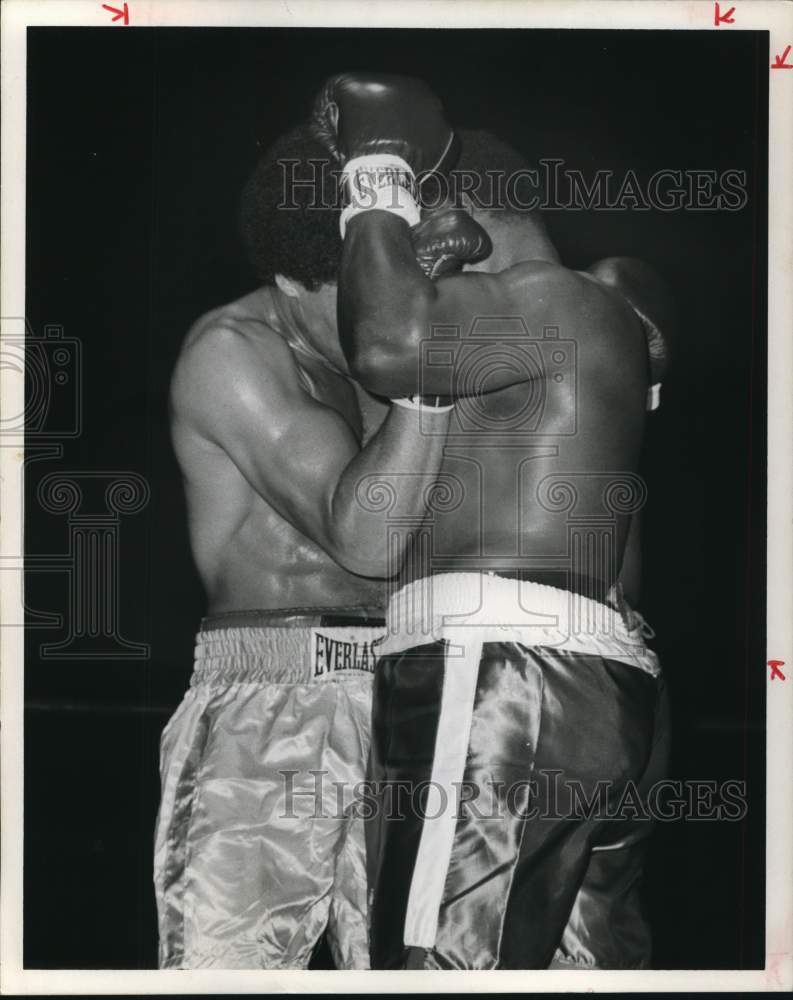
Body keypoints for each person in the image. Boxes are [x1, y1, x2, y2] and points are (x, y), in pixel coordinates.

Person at [310, 74, 673, 970]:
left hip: (498, 681)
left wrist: (374, 167)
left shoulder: (546, 303)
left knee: (435, 969)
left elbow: (385, 344)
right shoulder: (579, 327)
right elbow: (368, 543)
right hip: (586, 684)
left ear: (441, 203)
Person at [153, 123, 492, 969]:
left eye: (392, 280)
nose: (381, 310)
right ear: (287, 279)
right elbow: (368, 539)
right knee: (226, 972)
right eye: (355, 292)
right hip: (271, 706)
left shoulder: (405, 325)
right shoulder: (232, 354)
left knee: (413, 969)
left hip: (410, 689)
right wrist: (425, 381)